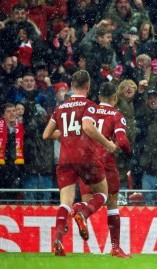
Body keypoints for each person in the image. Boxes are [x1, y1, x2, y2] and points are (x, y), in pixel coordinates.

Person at [42, 70, 117, 256]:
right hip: (86, 157)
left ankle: (58, 240)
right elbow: (87, 127)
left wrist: (67, 135)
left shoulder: (60, 107)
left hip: (65, 159)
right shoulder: (89, 105)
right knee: (102, 193)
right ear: (88, 86)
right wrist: (108, 143)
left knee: (65, 202)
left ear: (73, 85)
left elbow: (46, 134)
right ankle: (83, 213)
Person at [73, 82, 131, 258]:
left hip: (83, 161)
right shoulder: (116, 115)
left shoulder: (87, 111)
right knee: (111, 204)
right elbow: (121, 141)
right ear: (115, 98)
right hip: (105, 163)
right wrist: (129, 152)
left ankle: (75, 209)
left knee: (90, 200)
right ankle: (115, 247)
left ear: (98, 97)